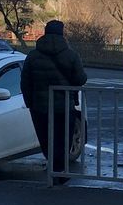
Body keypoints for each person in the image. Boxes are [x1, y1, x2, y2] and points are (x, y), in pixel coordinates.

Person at [21, 20, 87, 184]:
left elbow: (25, 82)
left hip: (40, 107)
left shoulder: (33, 55)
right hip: (64, 106)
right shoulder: (71, 55)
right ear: (62, 33)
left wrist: (30, 103)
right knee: (63, 138)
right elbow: (80, 79)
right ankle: (60, 170)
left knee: (46, 138)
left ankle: (53, 167)